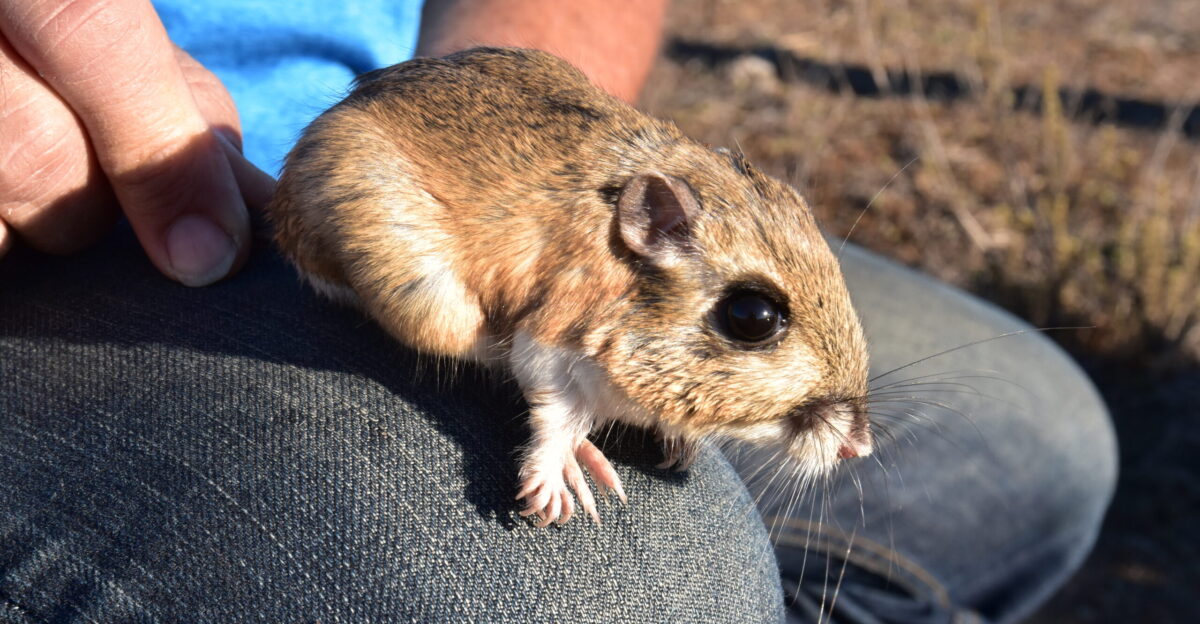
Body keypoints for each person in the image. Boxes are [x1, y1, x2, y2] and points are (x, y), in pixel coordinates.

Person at [0, 1, 1117, 622]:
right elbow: (544, 341)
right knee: (639, 590)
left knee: (1036, 450)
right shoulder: (588, 297)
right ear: (649, 234)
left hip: (428, 79)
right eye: (750, 322)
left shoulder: (668, 242)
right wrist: (558, 430)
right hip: (91, 206)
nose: (850, 424)